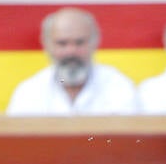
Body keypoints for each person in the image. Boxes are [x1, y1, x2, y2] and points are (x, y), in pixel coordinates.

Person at [7, 7, 138, 115]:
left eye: (79, 42)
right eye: (62, 43)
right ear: (47, 45)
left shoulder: (118, 86)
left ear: (95, 43)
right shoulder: (29, 92)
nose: (71, 51)